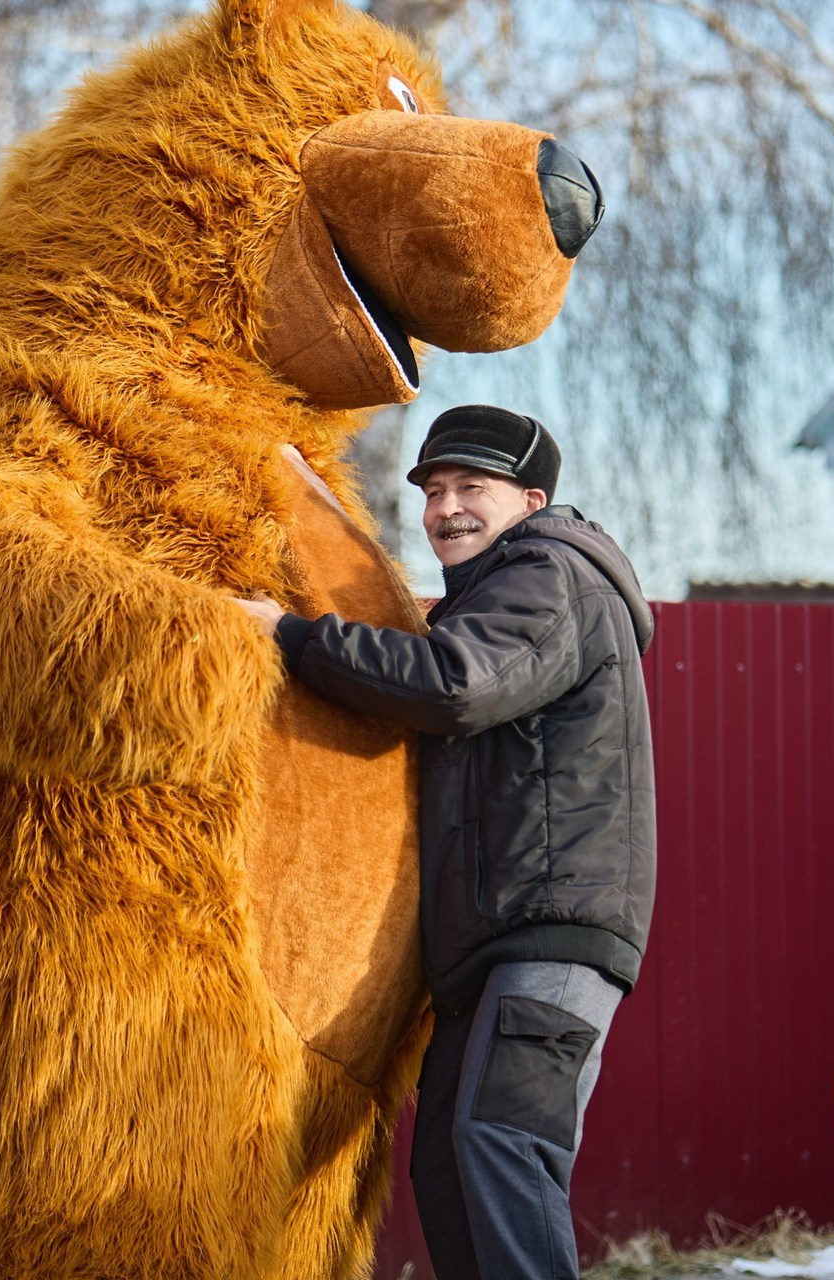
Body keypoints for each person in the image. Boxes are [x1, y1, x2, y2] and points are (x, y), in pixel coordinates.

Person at [235, 403, 655, 1280]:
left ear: (532, 499)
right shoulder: (501, 591)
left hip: (547, 932)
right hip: (489, 946)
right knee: (449, 1167)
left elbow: (453, 685)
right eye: (432, 490)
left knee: (500, 1144)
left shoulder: (548, 575)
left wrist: (292, 634)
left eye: (473, 488)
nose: (446, 508)